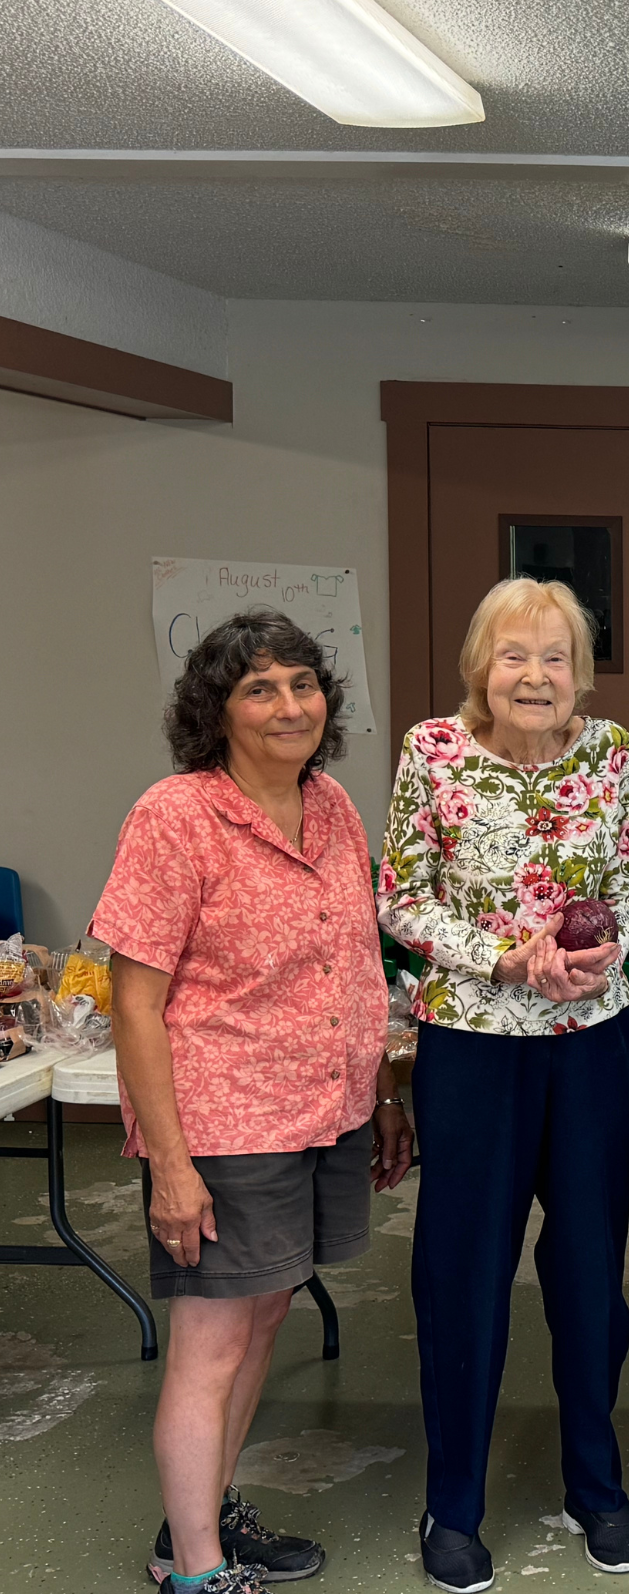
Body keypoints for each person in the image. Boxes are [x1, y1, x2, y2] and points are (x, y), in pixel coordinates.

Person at [96, 611, 411, 1594]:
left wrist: (384, 1087)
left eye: (304, 683)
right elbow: (136, 1001)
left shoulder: (332, 809)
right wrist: (173, 1165)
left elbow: (357, 966)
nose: (290, 705)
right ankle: (194, 1571)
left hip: (322, 1109)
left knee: (265, 1316)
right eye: (260, 688)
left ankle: (202, 1519)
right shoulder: (175, 815)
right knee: (211, 1340)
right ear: (217, 709)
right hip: (224, 1121)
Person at [378, 577, 629, 1594]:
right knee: (465, 1273)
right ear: (480, 667)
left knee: (590, 1270)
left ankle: (595, 1482)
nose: (535, 676)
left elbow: (620, 882)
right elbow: (398, 895)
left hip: (586, 1038)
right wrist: (501, 955)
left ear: (578, 671)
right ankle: (452, 1502)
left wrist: (601, 951)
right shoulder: (433, 752)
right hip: (473, 1041)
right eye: (514, 655)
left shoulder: (610, 750)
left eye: (556, 656)